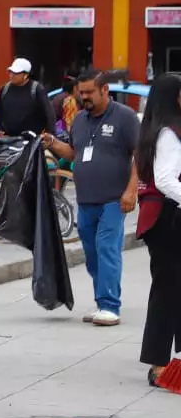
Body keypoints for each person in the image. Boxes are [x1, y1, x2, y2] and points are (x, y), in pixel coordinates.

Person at [43, 69, 140, 326]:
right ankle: (102, 302)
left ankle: (110, 305)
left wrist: (132, 190)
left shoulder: (125, 118)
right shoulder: (80, 121)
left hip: (113, 198)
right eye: (81, 92)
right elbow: (74, 153)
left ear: (104, 90)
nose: (84, 97)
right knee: (92, 252)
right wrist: (52, 142)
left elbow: (141, 155)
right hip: (86, 199)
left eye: (89, 92)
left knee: (107, 248)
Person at [133, 73, 181, 387]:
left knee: (172, 289)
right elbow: (165, 180)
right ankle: (159, 364)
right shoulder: (168, 133)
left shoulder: (156, 130)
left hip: (164, 217)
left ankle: (166, 360)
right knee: (167, 291)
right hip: (167, 218)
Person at [0, 57, 55, 138]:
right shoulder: (4, 90)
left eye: (16, 73)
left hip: (31, 140)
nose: (12, 75)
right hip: (8, 140)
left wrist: (49, 134)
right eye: (11, 72)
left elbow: (49, 114)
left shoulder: (36, 90)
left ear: (26, 75)